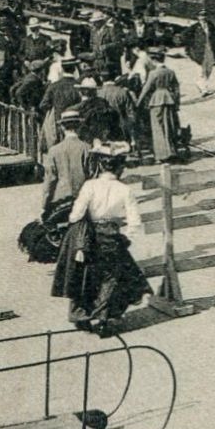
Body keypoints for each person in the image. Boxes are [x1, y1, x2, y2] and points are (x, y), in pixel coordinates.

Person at [51, 142, 150, 333]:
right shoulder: (125, 190)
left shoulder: (90, 186)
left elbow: (76, 215)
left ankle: (82, 316)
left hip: (89, 238)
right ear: (120, 167)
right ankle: (104, 318)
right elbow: (134, 221)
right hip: (112, 238)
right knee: (110, 279)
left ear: (100, 165)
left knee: (85, 277)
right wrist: (126, 237)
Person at [41, 107, 92, 211]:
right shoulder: (87, 148)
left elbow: (50, 180)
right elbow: (92, 177)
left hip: (61, 201)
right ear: (80, 126)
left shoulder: (54, 151)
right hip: (83, 200)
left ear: (62, 127)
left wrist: (45, 205)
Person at [141, 46, 181, 164]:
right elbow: (177, 88)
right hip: (169, 100)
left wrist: (138, 103)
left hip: (156, 99)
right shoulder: (170, 72)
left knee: (157, 128)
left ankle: (161, 155)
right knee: (170, 126)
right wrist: (177, 102)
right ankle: (172, 151)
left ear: (154, 60)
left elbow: (146, 89)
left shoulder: (153, 73)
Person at [184, 9, 215, 99]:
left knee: (209, 68)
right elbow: (184, 35)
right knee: (201, 70)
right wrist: (192, 45)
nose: (203, 18)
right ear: (198, 17)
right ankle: (203, 89)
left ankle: (202, 84)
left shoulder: (210, 25)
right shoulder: (195, 27)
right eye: (201, 16)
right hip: (199, 51)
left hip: (209, 49)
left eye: (205, 16)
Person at [96, 72, 137, 151]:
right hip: (120, 125)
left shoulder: (98, 92)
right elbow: (130, 112)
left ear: (101, 78)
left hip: (103, 126)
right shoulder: (122, 92)